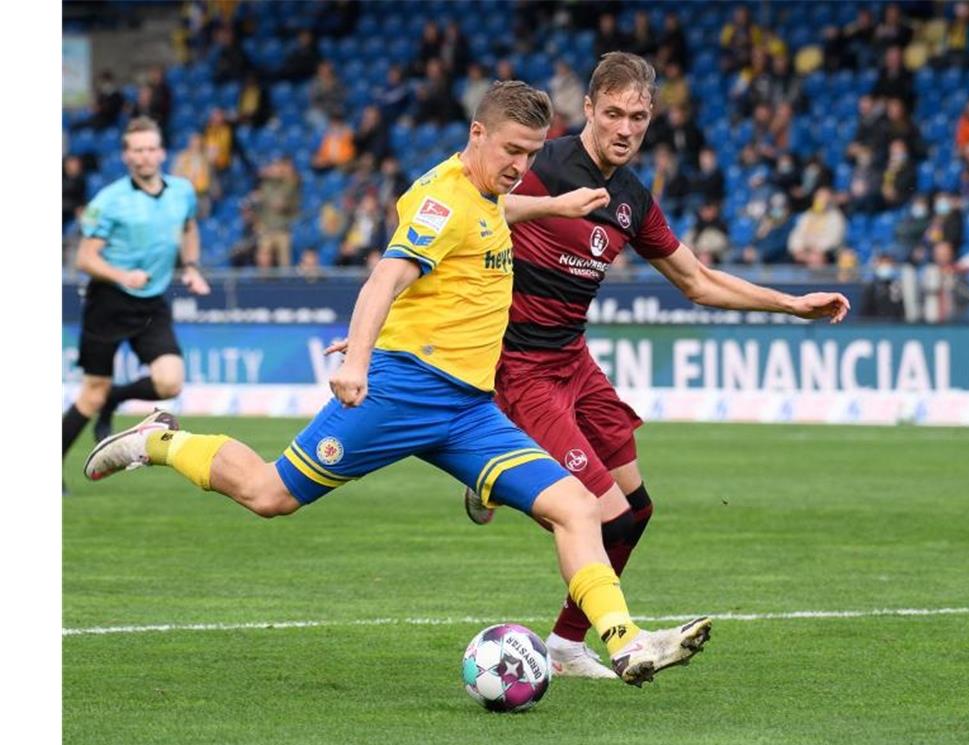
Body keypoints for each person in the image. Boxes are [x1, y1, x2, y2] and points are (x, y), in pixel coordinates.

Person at [83, 82, 712, 687]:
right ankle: (159, 440)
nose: (521, 165)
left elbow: (496, 210)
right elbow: (383, 279)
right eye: (511, 151)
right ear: (477, 134)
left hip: (469, 410)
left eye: (530, 152)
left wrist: (552, 204)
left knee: (577, 505)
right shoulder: (440, 200)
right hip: (401, 392)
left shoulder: (490, 193)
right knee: (269, 494)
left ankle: (625, 643)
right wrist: (358, 361)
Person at [461, 53, 849, 679]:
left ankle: (563, 645)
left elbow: (696, 279)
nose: (624, 128)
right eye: (612, 113)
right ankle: (617, 628)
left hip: (573, 362)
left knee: (636, 513)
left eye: (637, 117)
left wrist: (790, 304)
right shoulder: (544, 165)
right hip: (520, 368)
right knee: (601, 512)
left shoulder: (631, 200)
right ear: (587, 109)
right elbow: (465, 212)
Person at [62, 117, 210, 472]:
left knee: (170, 381)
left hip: (152, 303)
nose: (144, 156)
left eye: (150, 149)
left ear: (161, 152)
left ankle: (113, 399)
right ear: (127, 156)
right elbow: (84, 257)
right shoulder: (109, 201)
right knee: (91, 390)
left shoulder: (182, 191)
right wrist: (122, 275)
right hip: (108, 302)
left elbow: (189, 229)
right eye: (136, 150)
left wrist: (190, 266)